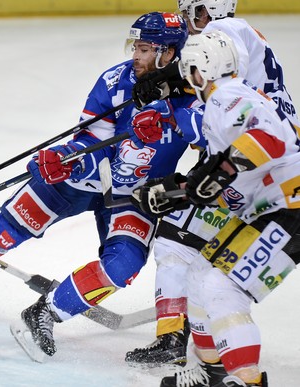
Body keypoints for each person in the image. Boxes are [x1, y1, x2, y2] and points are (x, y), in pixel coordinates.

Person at [0, 12, 205, 358]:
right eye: (136, 46)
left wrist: (173, 120)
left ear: (169, 53)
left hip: (135, 193)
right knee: (5, 232)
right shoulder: (117, 80)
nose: (135, 55)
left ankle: (44, 313)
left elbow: (215, 132)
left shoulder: (196, 89)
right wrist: (67, 158)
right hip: (82, 182)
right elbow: (90, 138)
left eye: (145, 48)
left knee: (123, 265)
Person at [125, 0, 300, 368]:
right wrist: (182, 189)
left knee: (196, 261)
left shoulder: (223, 58)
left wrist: (163, 81)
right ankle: (211, 366)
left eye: (192, 13)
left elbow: (262, 136)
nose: (189, 23)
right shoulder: (228, 88)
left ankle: (176, 340)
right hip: (257, 182)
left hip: (274, 184)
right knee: (205, 274)